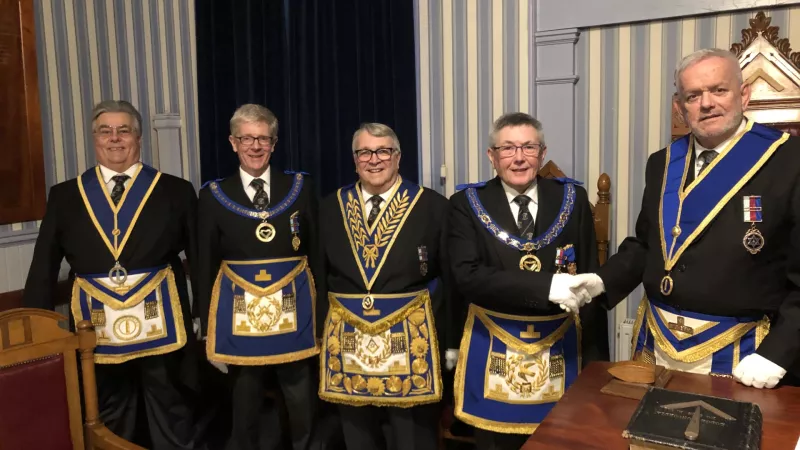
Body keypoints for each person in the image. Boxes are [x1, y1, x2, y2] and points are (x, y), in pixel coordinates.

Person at [571, 48, 800, 389]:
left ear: (744, 94)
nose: (707, 103)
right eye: (694, 95)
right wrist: (602, 281)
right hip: (657, 341)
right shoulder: (662, 163)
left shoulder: (788, 159)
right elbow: (647, 245)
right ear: (680, 107)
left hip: (745, 352)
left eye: (719, 90)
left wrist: (779, 353)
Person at [23, 100, 199, 449]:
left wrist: (204, 315)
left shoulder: (175, 190)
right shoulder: (65, 196)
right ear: (95, 139)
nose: (115, 139)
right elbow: (44, 265)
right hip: (96, 328)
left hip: (162, 323)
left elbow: (199, 257)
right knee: (108, 412)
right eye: (105, 131)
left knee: (171, 410)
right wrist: (35, 327)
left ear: (138, 138)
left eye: (124, 131)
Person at [447, 112, 609, 450]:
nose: (518, 157)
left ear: (542, 152)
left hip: (561, 352)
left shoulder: (573, 199)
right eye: (507, 148)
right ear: (491, 156)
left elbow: (589, 280)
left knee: (560, 441)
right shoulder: (464, 204)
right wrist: (546, 287)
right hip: (492, 349)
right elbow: (467, 276)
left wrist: (597, 362)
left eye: (528, 147)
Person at [317, 123, 451, 450]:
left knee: (412, 438)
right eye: (364, 152)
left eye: (383, 151)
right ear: (354, 159)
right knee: (358, 435)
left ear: (398, 157)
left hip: (411, 342)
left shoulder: (432, 205)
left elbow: (449, 278)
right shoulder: (330, 206)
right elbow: (319, 274)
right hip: (348, 339)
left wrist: (449, 341)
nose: (373, 160)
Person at [197, 104, 322, 450]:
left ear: (274, 143)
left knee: (302, 404)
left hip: (295, 312)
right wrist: (208, 327)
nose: (255, 146)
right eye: (247, 138)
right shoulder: (212, 196)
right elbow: (205, 263)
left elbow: (318, 255)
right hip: (239, 318)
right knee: (245, 406)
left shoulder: (300, 187)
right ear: (233, 143)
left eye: (263, 139)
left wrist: (322, 314)